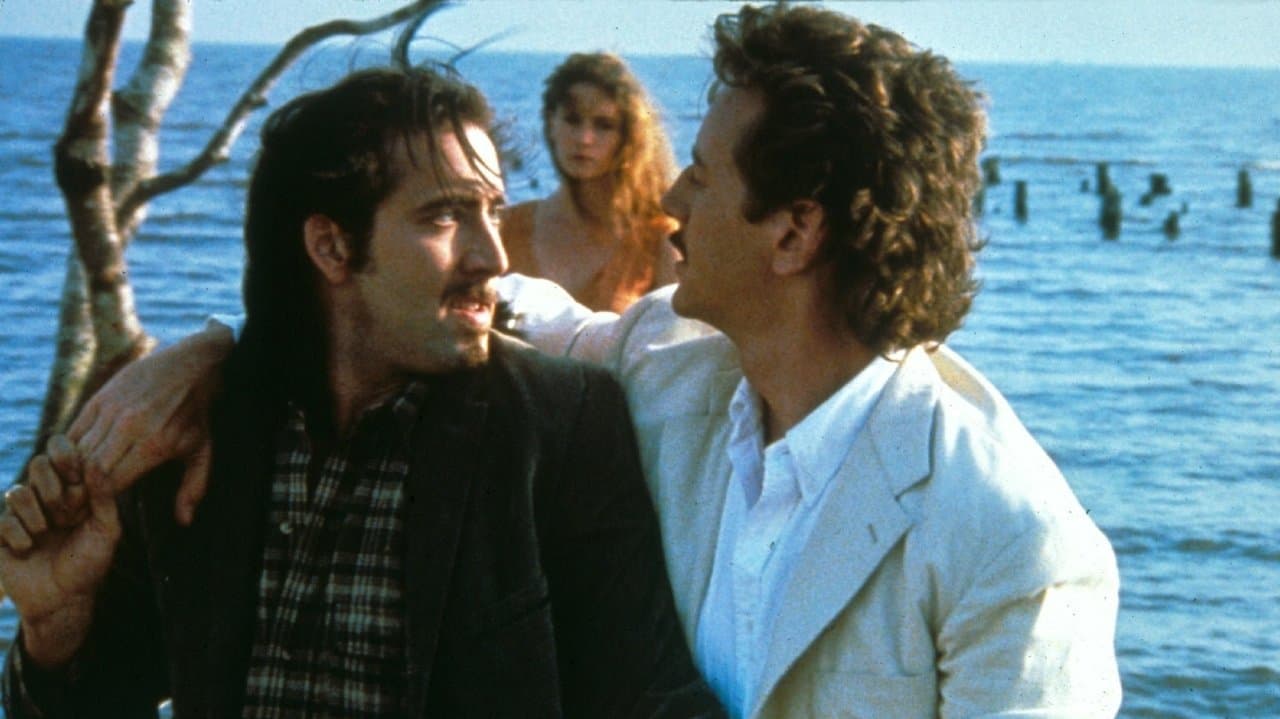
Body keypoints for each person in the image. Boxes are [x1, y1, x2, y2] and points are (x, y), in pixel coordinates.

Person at [36, 5, 1124, 717]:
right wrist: (214, 351)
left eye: (704, 175)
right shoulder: (674, 373)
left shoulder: (1011, 540)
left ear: (793, 233)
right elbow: (465, 303)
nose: (670, 197)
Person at [0, 65, 722, 718]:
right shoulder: (202, 433)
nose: (493, 255)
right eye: (444, 216)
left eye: (492, 210)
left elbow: (654, 701)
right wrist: (53, 632)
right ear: (331, 247)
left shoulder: (557, 427)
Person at [502, 52, 680, 313]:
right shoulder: (507, 229)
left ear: (627, 137)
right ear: (551, 122)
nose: (584, 139)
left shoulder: (658, 240)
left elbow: (679, 335)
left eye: (604, 125)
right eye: (572, 120)